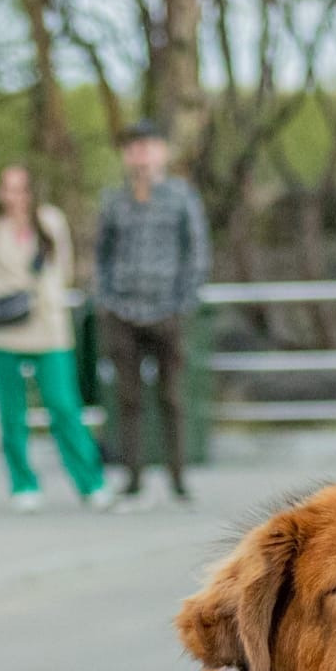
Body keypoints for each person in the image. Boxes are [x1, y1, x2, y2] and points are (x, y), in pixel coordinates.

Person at [0, 164, 109, 511]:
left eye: (21, 189)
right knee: (11, 411)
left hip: (48, 327)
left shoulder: (50, 221)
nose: (14, 197)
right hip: (4, 329)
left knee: (63, 405)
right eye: (7, 189)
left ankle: (90, 481)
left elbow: (62, 270)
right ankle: (23, 483)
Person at [93, 121, 208, 505]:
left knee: (172, 397)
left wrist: (182, 301)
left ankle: (178, 477)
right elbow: (102, 254)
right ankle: (132, 476)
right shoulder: (114, 199)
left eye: (148, 146)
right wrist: (107, 298)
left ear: (162, 152)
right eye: (134, 147)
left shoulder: (180, 197)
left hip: (168, 311)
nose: (141, 154)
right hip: (123, 311)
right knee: (127, 398)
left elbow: (196, 251)